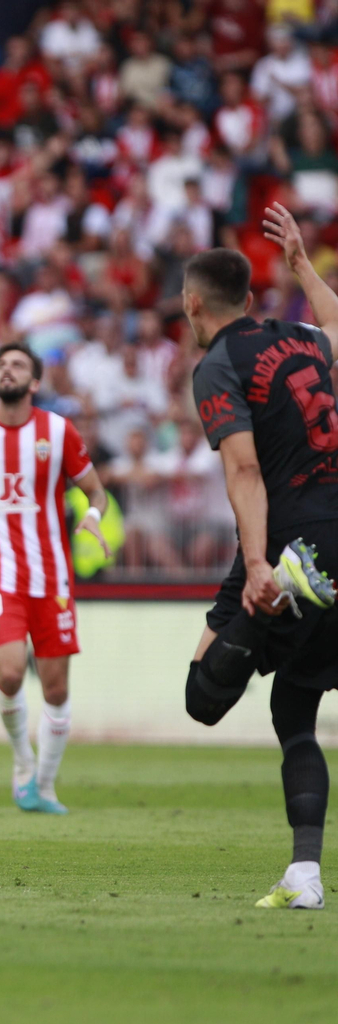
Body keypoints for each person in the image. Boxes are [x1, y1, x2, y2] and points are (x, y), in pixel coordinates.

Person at [182, 208, 338, 911]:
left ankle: (306, 876)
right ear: (250, 298)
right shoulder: (301, 339)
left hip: (294, 540)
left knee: (206, 697)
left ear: (193, 304)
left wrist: (256, 566)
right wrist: (303, 264)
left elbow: (243, 471)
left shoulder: (218, 363)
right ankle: (303, 874)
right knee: (295, 698)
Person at [0, 343, 112, 816]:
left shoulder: (57, 431)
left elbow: (96, 492)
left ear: (35, 382)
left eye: (18, 365)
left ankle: (43, 787)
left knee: (56, 690)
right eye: (2, 364)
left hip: (52, 578)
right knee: (8, 673)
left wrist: (90, 516)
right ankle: (23, 762)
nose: (7, 370)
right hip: (0, 575)